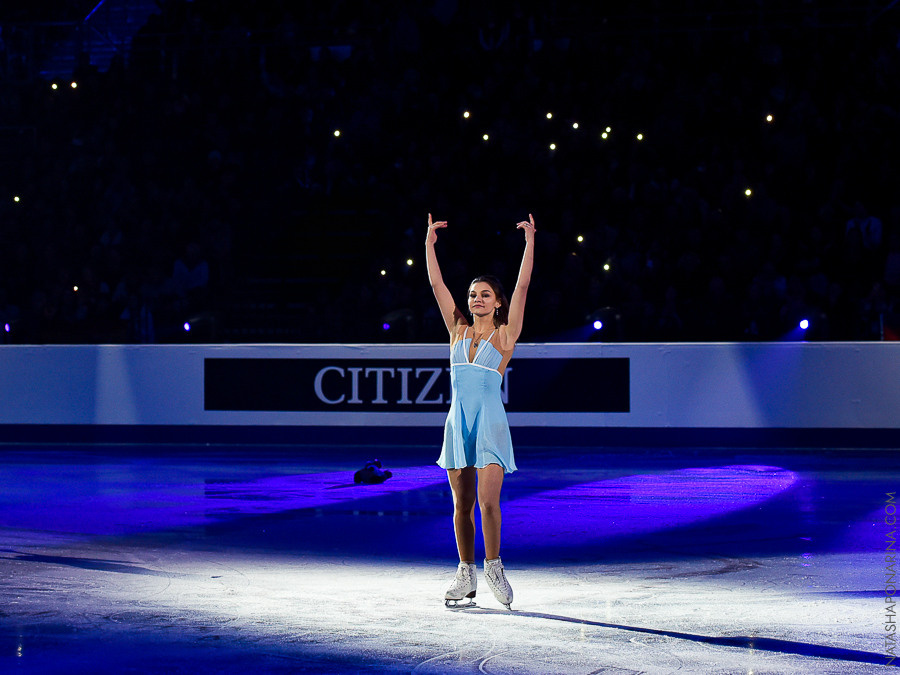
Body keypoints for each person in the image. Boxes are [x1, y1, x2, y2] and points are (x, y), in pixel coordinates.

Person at [425, 212, 535, 609]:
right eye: (473, 294)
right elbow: (436, 284)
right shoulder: (456, 329)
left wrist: (529, 243)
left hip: (489, 424)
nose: (477, 299)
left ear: (498, 301)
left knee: (489, 503)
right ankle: (465, 572)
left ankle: (494, 567)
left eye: (485, 294)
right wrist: (429, 244)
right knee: (461, 505)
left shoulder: (506, 335)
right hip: (458, 423)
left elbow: (522, 285)